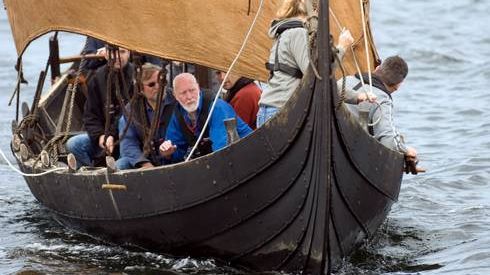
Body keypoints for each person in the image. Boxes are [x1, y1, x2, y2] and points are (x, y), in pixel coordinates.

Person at [257, 0, 355, 127]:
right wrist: (342, 47)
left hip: (271, 110)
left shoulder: (285, 31)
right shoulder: (298, 32)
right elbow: (316, 75)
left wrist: (355, 96)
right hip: (282, 111)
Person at [160, 73, 252, 163]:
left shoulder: (216, 107)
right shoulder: (179, 113)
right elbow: (176, 151)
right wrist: (167, 153)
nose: (189, 97)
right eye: (183, 93)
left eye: (192, 90)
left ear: (198, 88)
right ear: (175, 95)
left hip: (246, 157)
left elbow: (221, 150)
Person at [66, 46, 134, 168]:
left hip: (128, 138)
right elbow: (90, 115)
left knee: (120, 165)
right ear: (106, 54)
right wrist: (100, 136)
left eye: (122, 52)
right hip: (104, 137)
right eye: (113, 52)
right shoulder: (97, 78)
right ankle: (91, 172)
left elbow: (128, 114)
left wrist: (111, 135)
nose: (117, 57)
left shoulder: (135, 77)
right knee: (73, 144)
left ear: (129, 54)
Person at [338, 55, 417, 158]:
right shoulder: (382, 100)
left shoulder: (344, 80)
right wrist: (405, 150)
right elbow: (387, 141)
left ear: (377, 68)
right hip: (348, 152)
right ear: (398, 85)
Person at [116, 63, 176, 170]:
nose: (158, 87)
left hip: (174, 156)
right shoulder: (131, 110)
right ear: (141, 89)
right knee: (121, 165)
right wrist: (145, 164)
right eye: (152, 84)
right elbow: (128, 144)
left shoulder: (176, 100)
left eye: (162, 82)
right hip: (147, 160)